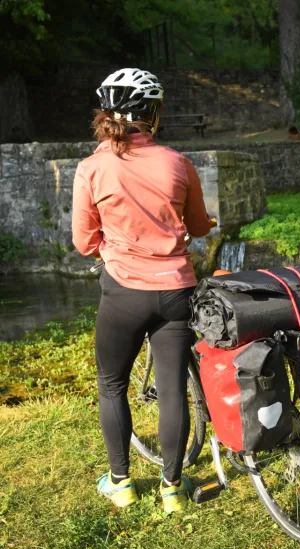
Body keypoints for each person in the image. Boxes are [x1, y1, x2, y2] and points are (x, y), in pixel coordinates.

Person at [72, 68, 213, 513]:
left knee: (112, 384)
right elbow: (197, 227)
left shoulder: (92, 168)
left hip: (122, 293)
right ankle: (172, 489)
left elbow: (83, 241)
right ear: (152, 113)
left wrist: (108, 251)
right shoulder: (177, 162)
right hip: (176, 292)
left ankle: (121, 483)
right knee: (172, 387)